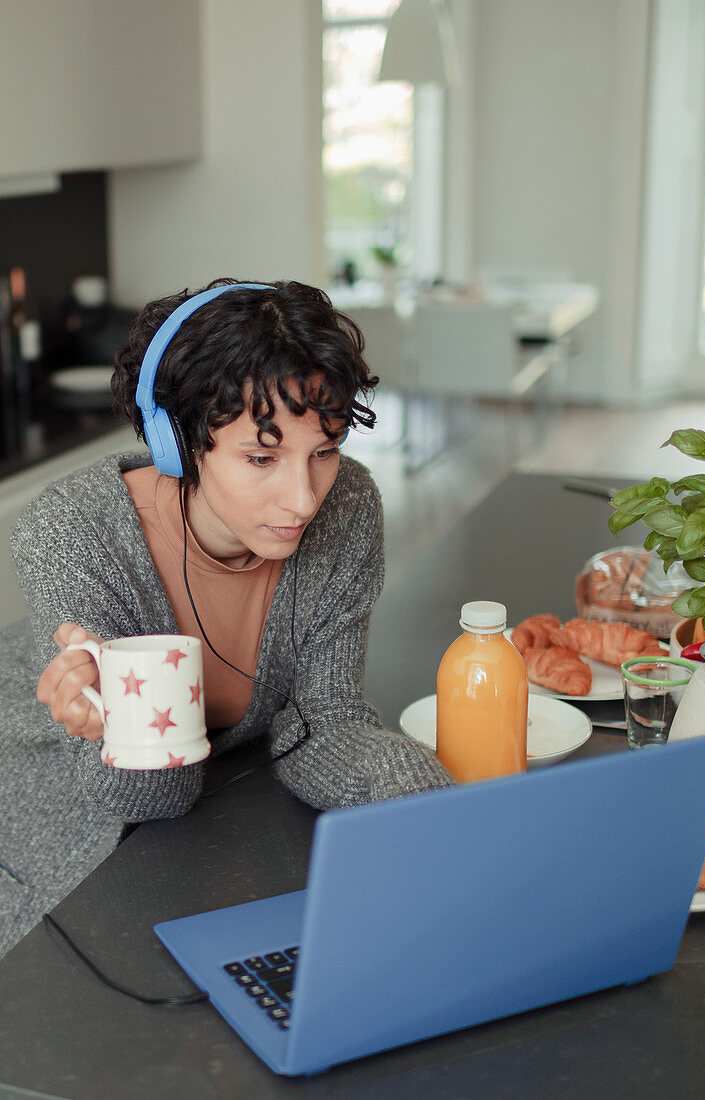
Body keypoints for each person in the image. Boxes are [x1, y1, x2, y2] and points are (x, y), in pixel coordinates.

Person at [0, 278, 452, 959]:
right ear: (178, 442)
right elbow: (154, 795)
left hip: (207, 810)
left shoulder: (348, 503)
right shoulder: (72, 530)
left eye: (323, 451)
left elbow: (321, 723)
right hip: (52, 814)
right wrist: (124, 728)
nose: (302, 498)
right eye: (261, 458)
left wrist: (427, 803)